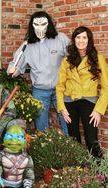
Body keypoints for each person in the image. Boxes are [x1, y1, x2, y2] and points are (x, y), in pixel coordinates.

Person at [7, 11, 69, 135]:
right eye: (37, 24)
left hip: (61, 89)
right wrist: (12, 71)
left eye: (43, 24)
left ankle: (72, 150)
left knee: (67, 122)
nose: (40, 28)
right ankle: (43, 151)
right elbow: (17, 64)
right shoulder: (27, 45)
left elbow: (73, 58)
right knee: (41, 127)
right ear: (32, 26)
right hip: (40, 91)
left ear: (49, 24)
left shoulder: (61, 39)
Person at [56, 26, 108, 158]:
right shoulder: (67, 61)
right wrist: (61, 107)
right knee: (73, 139)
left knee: (92, 140)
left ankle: (100, 175)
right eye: (78, 37)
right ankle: (78, 172)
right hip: (69, 102)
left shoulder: (98, 58)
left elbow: (106, 87)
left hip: (89, 102)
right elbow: (60, 86)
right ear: (74, 40)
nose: (81, 40)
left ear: (89, 40)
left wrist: (98, 110)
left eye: (84, 37)